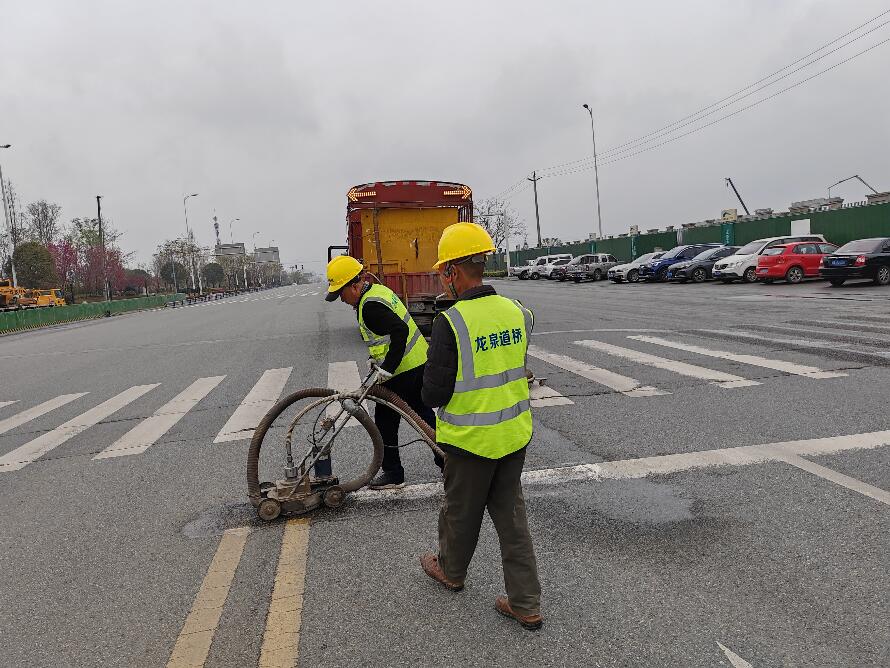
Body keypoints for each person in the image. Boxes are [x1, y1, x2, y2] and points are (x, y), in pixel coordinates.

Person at [418, 223, 542, 630]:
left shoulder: (450, 323)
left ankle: (451, 572)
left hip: (470, 441)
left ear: (452, 272)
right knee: (512, 519)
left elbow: (433, 394)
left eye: (443, 272)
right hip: (513, 436)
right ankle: (526, 604)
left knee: (459, 514)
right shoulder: (517, 311)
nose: (442, 279)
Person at [325, 255, 442, 489]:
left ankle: (394, 472)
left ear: (354, 285)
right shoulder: (376, 292)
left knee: (390, 423)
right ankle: (447, 463)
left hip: (403, 371)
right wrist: (376, 359)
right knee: (423, 418)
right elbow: (387, 335)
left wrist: (387, 368)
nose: (342, 299)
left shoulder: (369, 306)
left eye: (342, 293)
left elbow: (399, 330)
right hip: (415, 365)